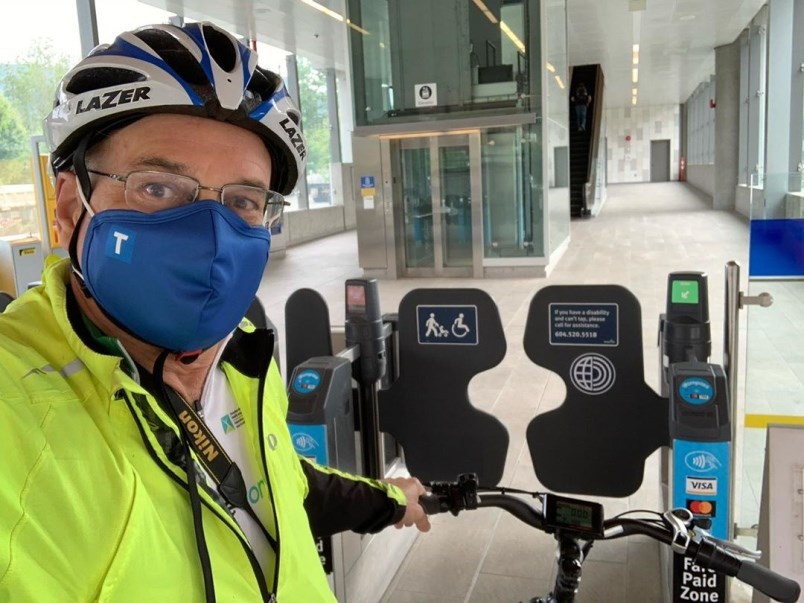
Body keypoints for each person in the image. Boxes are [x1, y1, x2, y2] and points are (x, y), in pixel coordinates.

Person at [0, 21, 429, 602]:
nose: (211, 232)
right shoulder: (16, 406)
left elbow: (271, 481)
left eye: (244, 201)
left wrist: (385, 500)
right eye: (158, 188)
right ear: (72, 207)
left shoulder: (244, 350)